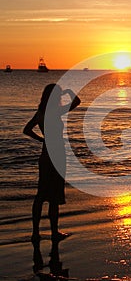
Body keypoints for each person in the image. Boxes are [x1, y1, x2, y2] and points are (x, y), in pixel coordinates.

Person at [23, 84, 81, 243]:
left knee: (41, 194)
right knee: (53, 195)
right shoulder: (55, 111)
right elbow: (77, 102)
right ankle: (54, 232)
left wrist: (42, 139)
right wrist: (69, 91)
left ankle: (35, 233)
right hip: (56, 154)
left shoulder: (40, 113)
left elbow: (26, 130)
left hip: (45, 153)